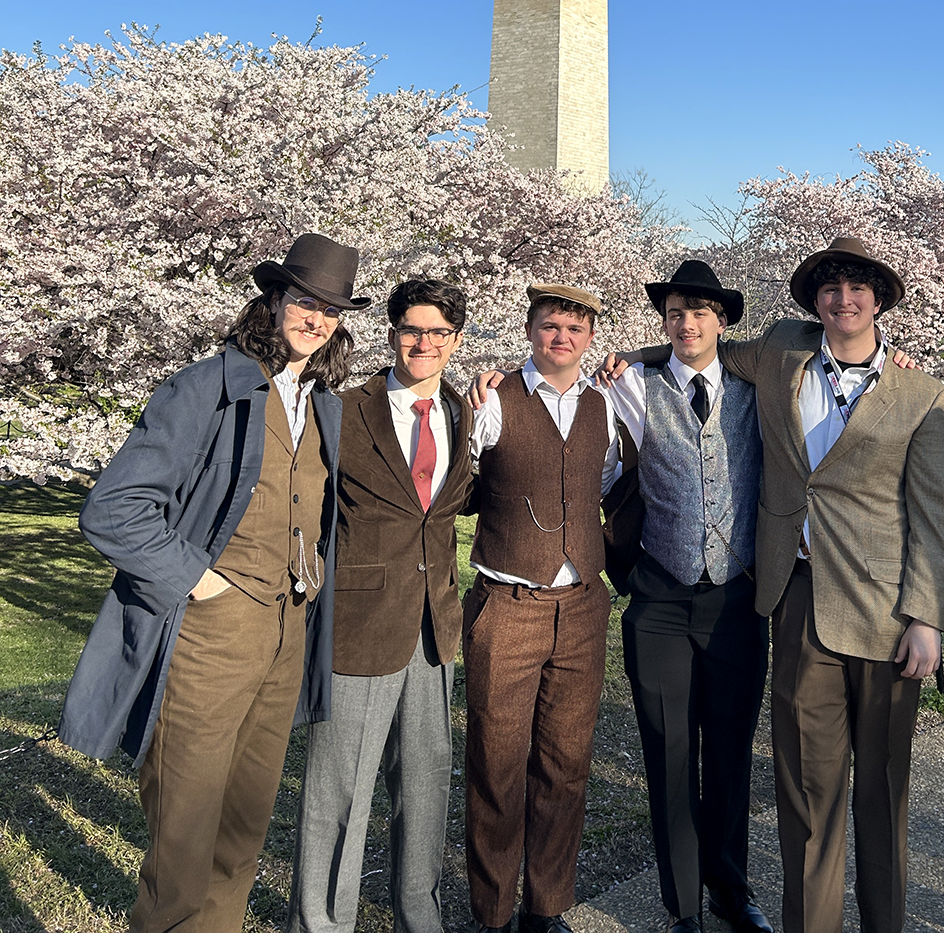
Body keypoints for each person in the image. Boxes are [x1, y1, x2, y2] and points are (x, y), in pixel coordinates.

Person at [613, 237, 944, 933]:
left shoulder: (921, 394)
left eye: (859, 287)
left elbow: (935, 514)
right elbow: (695, 352)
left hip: (886, 611)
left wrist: (927, 616)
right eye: (830, 288)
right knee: (806, 792)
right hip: (793, 599)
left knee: (882, 790)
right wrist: (627, 359)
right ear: (815, 302)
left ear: (880, 300)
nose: (844, 299)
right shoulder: (780, 352)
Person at [58, 233, 368, 933]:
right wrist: (200, 582)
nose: (315, 318)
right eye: (304, 301)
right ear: (275, 300)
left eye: (331, 309)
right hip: (209, 641)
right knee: (185, 842)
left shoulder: (324, 405)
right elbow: (113, 508)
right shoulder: (205, 389)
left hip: (287, 639)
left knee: (242, 834)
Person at [288, 278, 476, 933]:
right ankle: (321, 922)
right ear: (392, 332)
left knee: (424, 792)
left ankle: (418, 919)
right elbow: (302, 507)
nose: (424, 343)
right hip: (360, 626)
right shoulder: (341, 411)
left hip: (434, 630)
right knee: (340, 795)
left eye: (438, 333)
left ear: (456, 341)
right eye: (412, 329)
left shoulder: (463, 413)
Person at [604, 260, 773, 933]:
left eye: (700, 312)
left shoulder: (756, 388)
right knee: (670, 756)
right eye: (675, 313)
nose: (686, 323)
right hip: (661, 600)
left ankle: (732, 890)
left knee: (730, 754)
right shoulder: (633, 389)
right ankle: (683, 907)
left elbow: (818, 353)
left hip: (736, 600)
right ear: (664, 321)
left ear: (722, 322)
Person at [464, 284, 622, 933]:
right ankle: (493, 913)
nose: (562, 337)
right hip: (508, 606)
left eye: (575, 329)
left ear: (589, 339)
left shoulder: (604, 407)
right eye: (550, 326)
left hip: (582, 609)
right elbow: (461, 481)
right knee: (498, 767)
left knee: (565, 767)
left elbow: (607, 481)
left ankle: (545, 906)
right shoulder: (493, 401)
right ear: (529, 331)